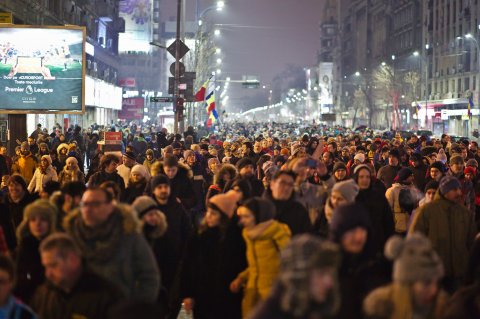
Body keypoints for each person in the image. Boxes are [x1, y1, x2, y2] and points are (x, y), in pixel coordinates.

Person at [64, 187, 160, 301]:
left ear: (110, 206)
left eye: (95, 204)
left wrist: (136, 308)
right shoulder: (71, 234)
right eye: (84, 204)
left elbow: (149, 276)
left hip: (120, 307)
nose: (88, 209)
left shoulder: (129, 235)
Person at [182, 192, 246, 319]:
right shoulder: (199, 235)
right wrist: (187, 294)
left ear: (224, 217)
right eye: (208, 212)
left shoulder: (237, 237)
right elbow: (188, 265)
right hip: (202, 296)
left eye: (214, 213)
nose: (208, 216)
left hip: (229, 298)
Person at [30, 233, 124, 319]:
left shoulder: (106, 296)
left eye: (53, 265)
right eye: (46, 267)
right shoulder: (43, 295)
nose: (48, 274)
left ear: (73, 260)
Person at [410, 175, 477, 293]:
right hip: (434, 270)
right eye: (454, 189)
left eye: (459, 189)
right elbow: (415, 240)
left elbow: (471, 242)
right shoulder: (427, 211)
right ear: (445, 191)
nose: (459, 192)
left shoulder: (464, 213)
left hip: (459, 271)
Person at [250, 235, 341, 319]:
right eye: (321, 274)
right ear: (299, 275)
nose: (329, 282)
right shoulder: (269, 315)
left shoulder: (315, 311)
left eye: (330, 274)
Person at [231, 197, 291, 318]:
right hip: (253, 293)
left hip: (273, 294)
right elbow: (257, 266)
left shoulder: (277, 234)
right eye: (242, 216)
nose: (242, 221)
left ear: (260, 216)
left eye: (247, 216)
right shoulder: (249, 235)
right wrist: (241, 278)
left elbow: (290, 262)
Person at [364, 233, 448, 319]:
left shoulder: (443, 310)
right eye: (426, 283)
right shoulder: (380, 312)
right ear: (406, 284)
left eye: (437, 282)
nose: (434, 290)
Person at [329, 202, 390, 318]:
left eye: (362, 229)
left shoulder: (378, 268)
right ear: (338, 232)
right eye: (351, 230)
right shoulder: (327, 271)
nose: (358, 237)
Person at [149, 175, 192, 318]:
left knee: (172, 294)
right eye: (159, 187)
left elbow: (187, 230)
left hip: (174, 258)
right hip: (152, 260)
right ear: (154, 190)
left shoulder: (177, 206)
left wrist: (185, 252)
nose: (163, 190)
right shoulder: (149, 208)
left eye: (165, 187)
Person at [14, 199, 57, 303]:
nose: (37, 224)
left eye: (43, 219)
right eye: (33, 219)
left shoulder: (57, 246)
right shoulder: (23, 247)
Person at [353, 164, 395, 255]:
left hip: (378, 244)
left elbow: (388, 221)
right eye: (361, 177)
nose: (365, 180)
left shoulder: (378, 197)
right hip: (357, 246)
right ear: (356, 178)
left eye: (367, 177)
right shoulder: (351, 198)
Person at [263, 170, 312, 235]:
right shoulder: (260, 208)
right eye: (282, 183)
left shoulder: (299, 211)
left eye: (290, 184)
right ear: (272, 185)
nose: (286, 188)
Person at [385, 167, 420, 235]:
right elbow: (388, 210)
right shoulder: (392, 191)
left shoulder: (414, 189)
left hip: (412, 226)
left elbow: (417, 206)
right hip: (397, 227)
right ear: (405, 177)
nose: (413, 178)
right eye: (410, 176)